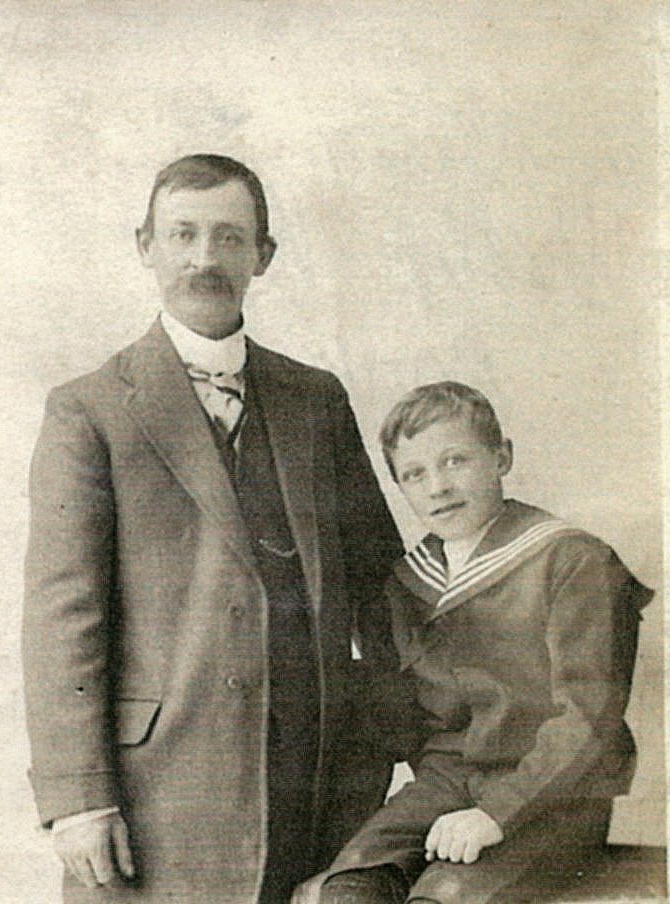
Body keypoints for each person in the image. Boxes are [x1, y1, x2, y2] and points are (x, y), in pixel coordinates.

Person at [22, 153, 403, 904]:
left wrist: (405, 751)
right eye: (183, 234)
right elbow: (62, 616)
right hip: (155, 797)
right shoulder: (88, 409)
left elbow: (380, 585)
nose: (205, 258)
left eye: (229, 237)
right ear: (146, 246)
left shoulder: (315, 399)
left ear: (264, 255)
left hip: (312, 790)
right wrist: (77, 798)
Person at [295, 381, 652, 904]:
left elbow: (588, 718)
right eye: (415, 474)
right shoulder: (408, 583)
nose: (438, 486)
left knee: (448, 897)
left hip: (556, 796)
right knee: (348, 889)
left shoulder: (573, 561)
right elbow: (404, 724)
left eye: (455, 461)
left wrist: (496, 814)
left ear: (501, 458)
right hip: (447, 783)